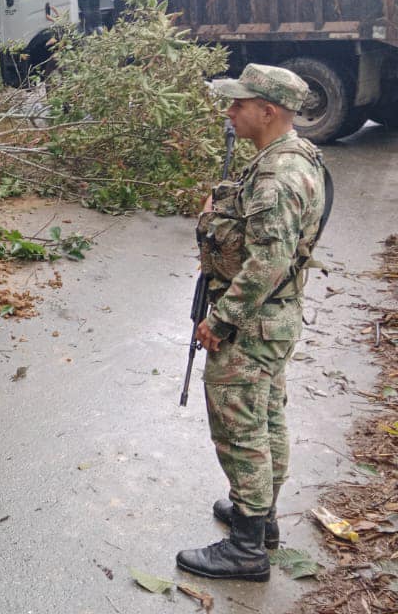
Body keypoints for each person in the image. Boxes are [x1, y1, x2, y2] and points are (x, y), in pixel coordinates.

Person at [177, 63, 327, 582]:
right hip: (275, 321)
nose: (229, 111)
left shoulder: (278, 177)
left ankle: (246, 549)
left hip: (254, 323)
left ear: (269, 111)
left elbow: (268, 262)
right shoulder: (294, 158)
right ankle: (260, 521)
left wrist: (221, 320)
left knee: (240, 426)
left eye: (239, 104)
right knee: (266, 416)